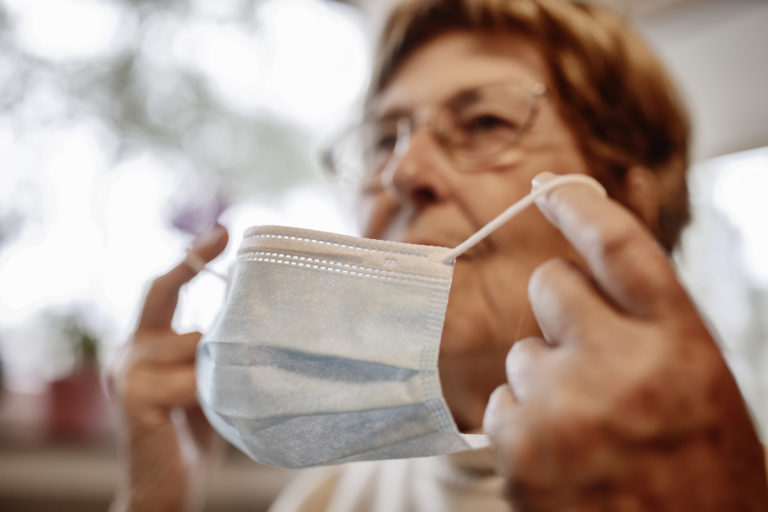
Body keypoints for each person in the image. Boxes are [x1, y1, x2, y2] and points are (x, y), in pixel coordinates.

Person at [109, 0, 768, 510]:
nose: (403, 170)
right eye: (382, 138)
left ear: (627, 199)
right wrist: (157, 499)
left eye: (485, 122)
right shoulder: (334, 494)